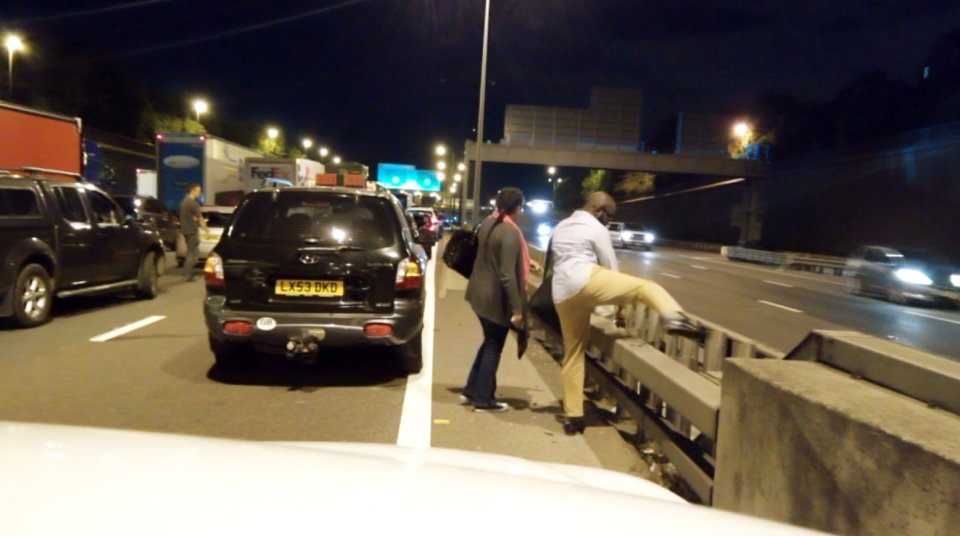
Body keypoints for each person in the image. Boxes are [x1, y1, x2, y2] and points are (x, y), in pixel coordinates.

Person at [550, 191, 701, 435]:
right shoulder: (596, 228)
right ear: (599, 210)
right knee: (647, 287)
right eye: (609, 216)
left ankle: (573, 416)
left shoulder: (562, 226)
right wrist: (621, 308)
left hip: (562, 294)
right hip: (585, 279)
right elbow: (611, 266)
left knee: (573, 353)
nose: (609, 222)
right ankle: (674, 317)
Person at [461, 187, 529, 413]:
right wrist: (518, 310)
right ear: (517, 206)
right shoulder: (508, 232)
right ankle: (482, 399)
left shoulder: (489, 222)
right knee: (493, 346)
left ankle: (472, 389)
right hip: (492, 299)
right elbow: (507, 274)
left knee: (489, 341)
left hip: (477, 292)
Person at [179, 184, 207, 282]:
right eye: (198, 191)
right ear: (193, 191)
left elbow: (188, 216)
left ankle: (187, 273)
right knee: (192, 255)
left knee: (191, 253)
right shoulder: (194, 204)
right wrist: (206, 229)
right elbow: (200, 219)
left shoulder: (184, 202)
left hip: (185, 231)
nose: (199, 194)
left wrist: (194, 219)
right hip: (192, 231)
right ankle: (188, 275)